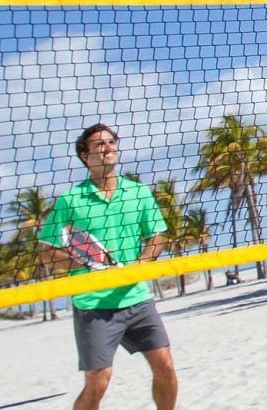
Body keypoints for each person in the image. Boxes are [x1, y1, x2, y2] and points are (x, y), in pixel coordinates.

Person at [39, 123, 179, 410]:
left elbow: (156, 237)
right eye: (99, 144)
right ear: (84, 155)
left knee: (165, 366)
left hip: (136, 296)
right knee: (98, 380)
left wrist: (140, 265)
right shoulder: (70, 201)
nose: (108, 147)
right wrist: (88, 261)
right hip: (93, 303)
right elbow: (48, 255)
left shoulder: (137, 192)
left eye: (111, 142)